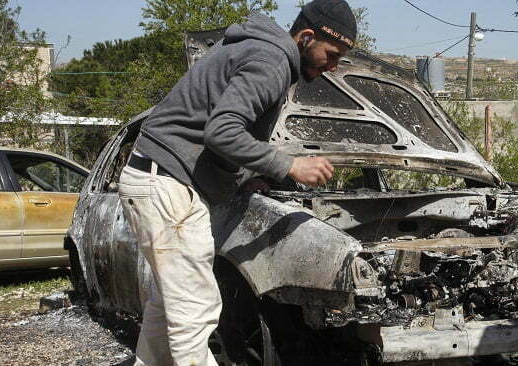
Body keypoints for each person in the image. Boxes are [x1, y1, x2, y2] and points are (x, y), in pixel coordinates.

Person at [116, 1, 357, 364]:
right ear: (307, 37)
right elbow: (222, 131)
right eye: (331, 53)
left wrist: (244, 177)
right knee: (196, 309)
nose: (333, 67)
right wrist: (289, 166)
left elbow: (216, 130)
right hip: (168, 185)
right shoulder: (273, 61)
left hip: (158, 178)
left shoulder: (261, 51)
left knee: (169, 308)